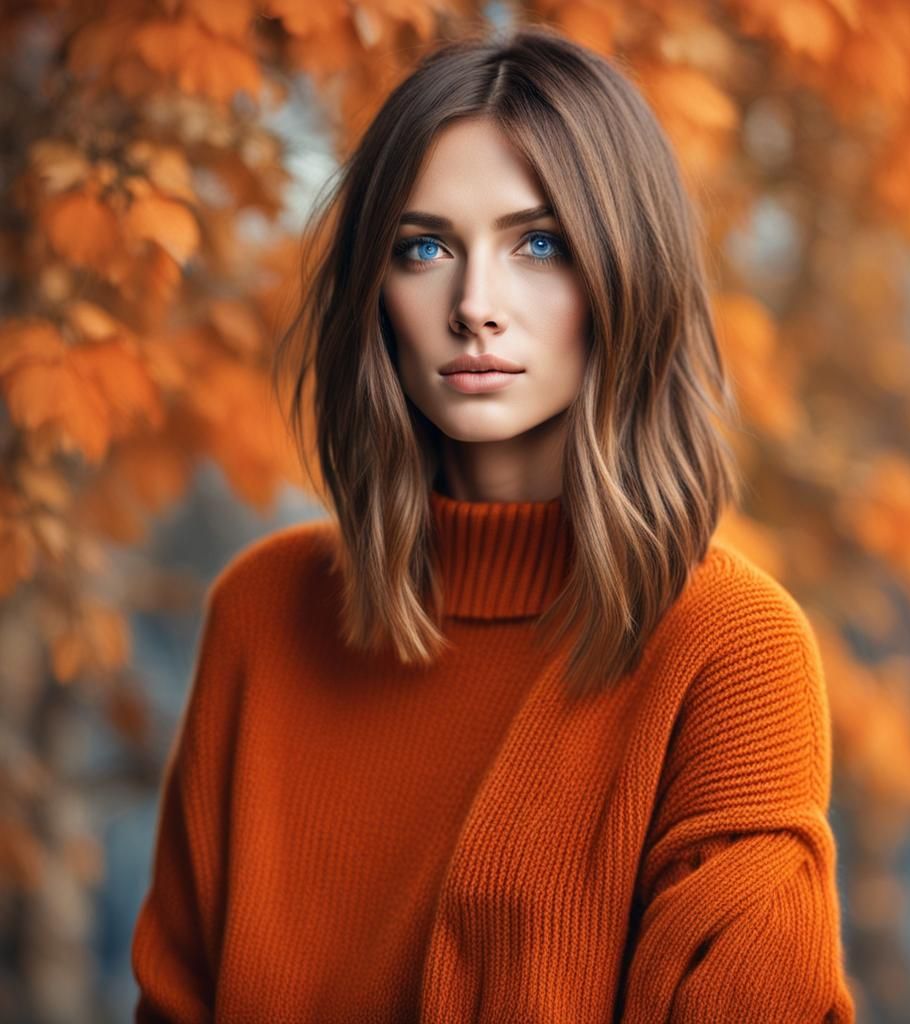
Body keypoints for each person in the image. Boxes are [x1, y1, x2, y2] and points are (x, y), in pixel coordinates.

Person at [131, 21, 858, 1023]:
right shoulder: (261, 614)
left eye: (539, 243)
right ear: (375, 294)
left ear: (626, 273)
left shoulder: (730, 652)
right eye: (423, 247)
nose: (476, 304)